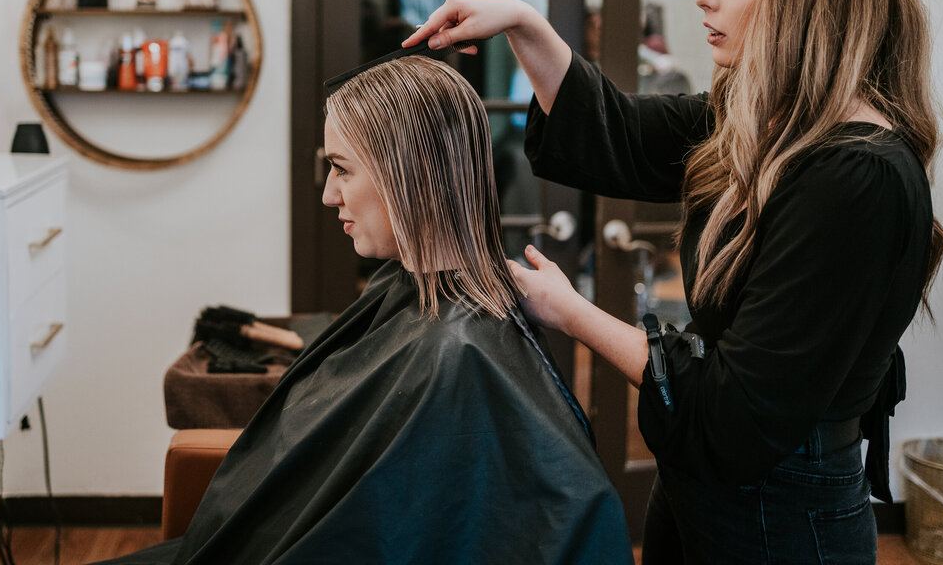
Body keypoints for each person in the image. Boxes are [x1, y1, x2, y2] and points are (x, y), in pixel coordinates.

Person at [406, 0, 943, 564]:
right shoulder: (758, 127)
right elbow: (620, 136)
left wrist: (571, 312)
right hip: (706, 484)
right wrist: (524, 23)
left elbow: (733, 414)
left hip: (780, 510)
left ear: (812, 2)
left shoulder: (855, 178)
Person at [96, 56, 632, 565]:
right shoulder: (411, 296)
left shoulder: (457, 351)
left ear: (409, 173)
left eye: (342, 169)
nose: (329, 195)